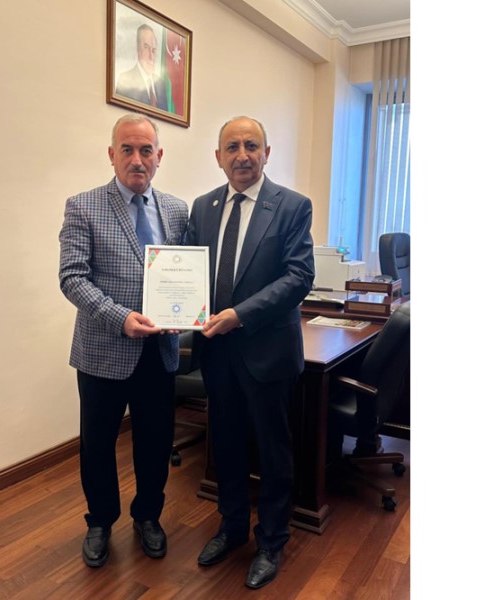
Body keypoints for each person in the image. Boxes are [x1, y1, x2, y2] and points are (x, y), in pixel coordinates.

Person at [185, 116, 315, 589]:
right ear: (218, 156)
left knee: (273, 450)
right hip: (217, 353)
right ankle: (232, 527)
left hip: (268, 352)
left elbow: (299, 277)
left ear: (266, 153)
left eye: (251, 145)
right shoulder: (203, 207)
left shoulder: (292, 206)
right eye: (233, 147)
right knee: (226, 444)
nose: (242, 155)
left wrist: (239, 314)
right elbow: (188, 272)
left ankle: (272, 541)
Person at [59, 113, 189, 568]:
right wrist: (121, 318)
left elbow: (184, 275)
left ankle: (148, 516)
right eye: (128, 150)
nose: (137, 159)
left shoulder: (176, 210)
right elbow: (72, 278)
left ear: (159, 156)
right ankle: (99, 521)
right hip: (103, 350)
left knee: (155, 440)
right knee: (98, 444)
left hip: (159, 352)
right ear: (112, 154)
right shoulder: (83, 206)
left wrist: (184, 313)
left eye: (146, 150)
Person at [114, 24, 167, 110]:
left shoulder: (161, 84)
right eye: (146, 48)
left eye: (153, 50)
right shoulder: (124, 79)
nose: (151, 56)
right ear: (138, 48)